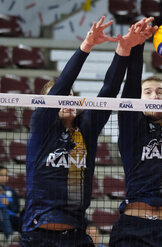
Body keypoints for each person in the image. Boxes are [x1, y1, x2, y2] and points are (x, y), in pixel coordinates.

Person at [20, 16, 150, 247]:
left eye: (71, 95)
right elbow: (63, 83)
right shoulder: (41, 127)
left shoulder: (86, 129)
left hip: (76, 236)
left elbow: (109, 90)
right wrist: (87, 45)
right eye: (61, 97)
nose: (68, 99)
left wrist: (123, 49)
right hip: (39, 236)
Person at [109, 12, 162, 247]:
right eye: (147, 92)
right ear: (139, 100)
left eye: (159, 92)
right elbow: (131, 84)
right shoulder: (131, 129)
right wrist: (138, 44)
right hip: (133, 229)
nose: (154, 95)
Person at [0, 166, 20, 241]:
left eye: (6, 175)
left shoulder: (11, 191)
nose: (4, 177)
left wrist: (8, 204)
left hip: (12, 218)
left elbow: (16, 209)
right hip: (1, 217)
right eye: (1, 175)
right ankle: (10, 237)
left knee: (22, 222)